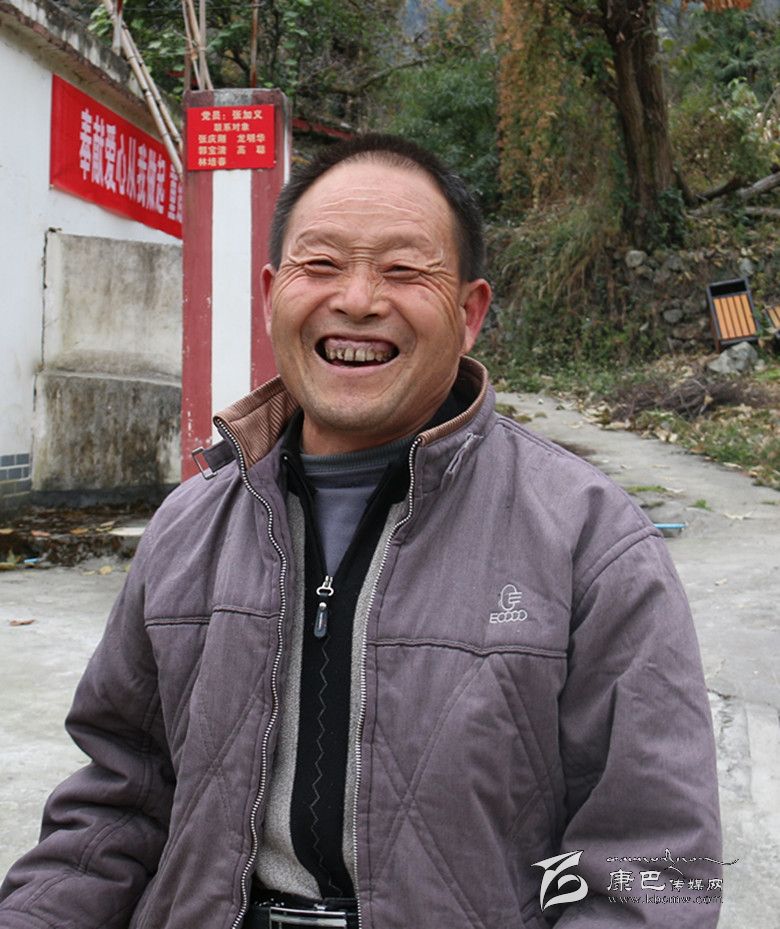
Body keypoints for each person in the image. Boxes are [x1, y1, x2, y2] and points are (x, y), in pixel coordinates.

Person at [0, 135, 722, 929]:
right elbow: (117, 806)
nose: (357, 299)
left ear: (470, 312)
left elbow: (653, 868)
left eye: (404, 270)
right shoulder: (189, 525)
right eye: (320, 264)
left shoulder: (590, 540)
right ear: (271, 293)